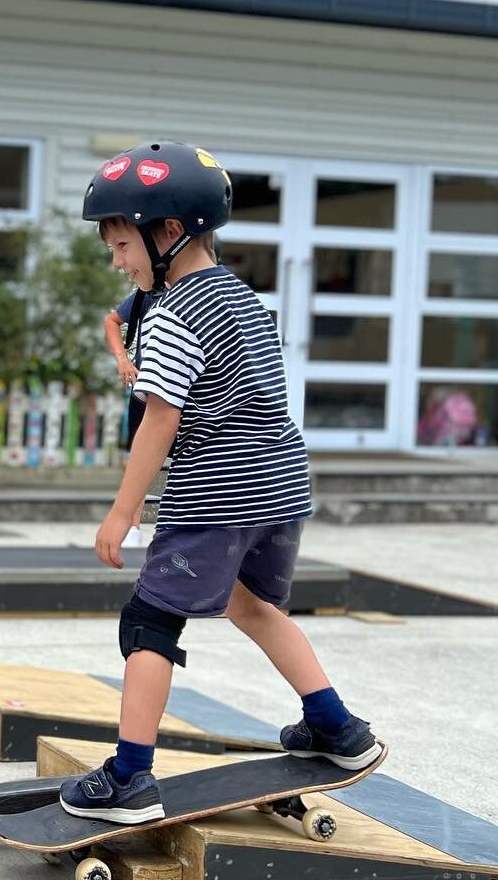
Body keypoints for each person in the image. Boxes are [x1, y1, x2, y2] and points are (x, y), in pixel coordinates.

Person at [65, 141, 382, 822]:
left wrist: (123, 511)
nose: (117, 261)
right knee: (251, 605)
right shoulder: (239, 295)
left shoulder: (177, 312)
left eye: (122, 245)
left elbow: (160, 420)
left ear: (169, 232)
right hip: (282, 488)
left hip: (219, 493)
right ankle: (338, 727)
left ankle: (130, 777)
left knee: (149, 620)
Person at [103, 286, 149, 547]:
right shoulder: (149, 293)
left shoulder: (206, 292)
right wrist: (123, 360)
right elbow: (112, 320)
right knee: (139, 455)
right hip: (148, 385)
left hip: (191, 389)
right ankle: (133, 526)